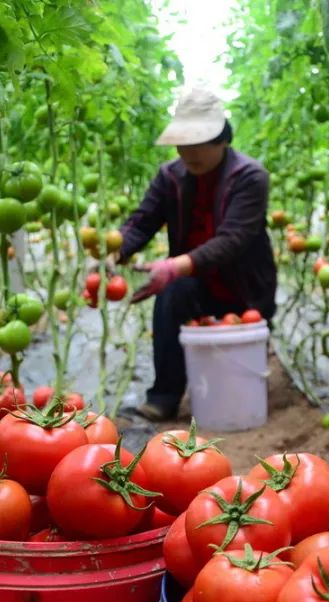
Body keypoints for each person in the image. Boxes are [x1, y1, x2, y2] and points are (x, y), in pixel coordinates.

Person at [116, 87, 276, 421]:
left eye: (200, 142)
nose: (190, 152)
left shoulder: (249, 177)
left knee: (237, 349)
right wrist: (113, 249)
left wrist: (176, 265)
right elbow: (142, 222)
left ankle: (239, 397)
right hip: (195, 284)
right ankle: (164, 397)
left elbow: (234, 238)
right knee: (172, 296)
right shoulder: (169, 176)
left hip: (245, 286)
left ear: (222, 139)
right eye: (183, 142)